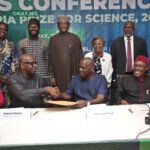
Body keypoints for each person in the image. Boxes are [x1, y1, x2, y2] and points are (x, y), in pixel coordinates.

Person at [48, 15, 83, 92]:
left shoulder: (75, 38)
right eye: (61, 23)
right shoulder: (53, 39)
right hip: (58, 74)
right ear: (58, 25)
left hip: (73, 73)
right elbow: (50, 59)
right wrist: (52, 76)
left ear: (68, 25)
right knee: (59, 95)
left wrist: (80, 74)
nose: (63, 25)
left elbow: (80, 57)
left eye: (65, 23)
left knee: (72, 95)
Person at [0, 22, 18, 106]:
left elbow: (15, 62)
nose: (2, 31)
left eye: (5, 30)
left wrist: (7, 75)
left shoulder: (12, 46)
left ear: (7, 32)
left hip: (7, 80)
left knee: (8, 104)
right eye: (0, 29)